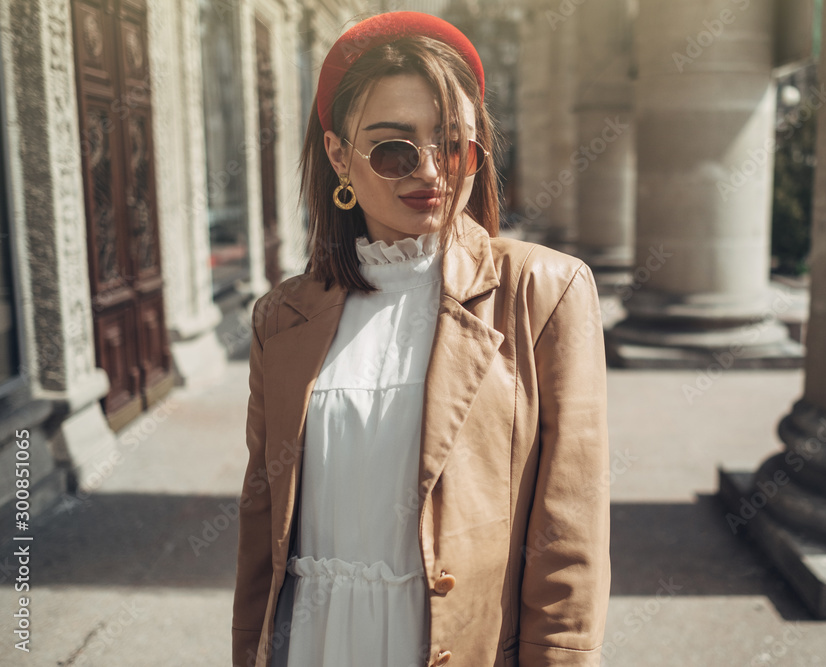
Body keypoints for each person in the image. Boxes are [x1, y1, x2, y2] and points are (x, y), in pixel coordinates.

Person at [231, 11, 611, 667]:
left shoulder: (544, 291)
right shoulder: (281, 319)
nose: (431, 171)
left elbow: (569, 534)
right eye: (395, 150)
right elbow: (261, 531)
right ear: (337, 156)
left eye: (456, 145)